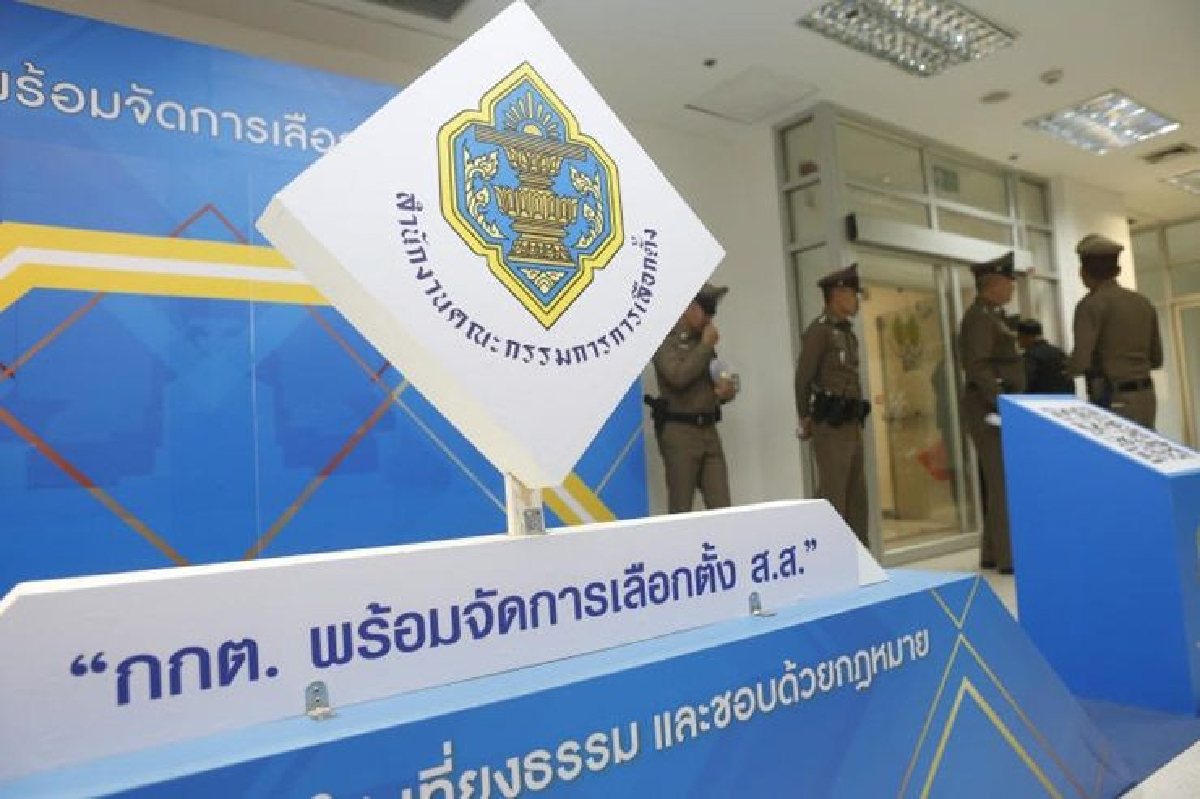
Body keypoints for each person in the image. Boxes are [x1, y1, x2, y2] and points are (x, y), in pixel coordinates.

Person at [794, 264, 870, 547]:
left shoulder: (847, 333)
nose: (856, 299)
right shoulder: (819, 331)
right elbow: (803, 378)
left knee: (857, 497)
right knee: (834, 496)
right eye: (852, 293)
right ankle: (828, 554)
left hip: (851, 424)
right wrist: (805, 416)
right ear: (837, 295)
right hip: (830, 426)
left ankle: (859, 555)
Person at [959, 252, 1025, 574]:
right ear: (995, 284)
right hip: (989, 409)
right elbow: (978, 367)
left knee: (1000, 481)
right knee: (1003, 483)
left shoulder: (993, 316)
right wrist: (1002, 403)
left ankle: (991, 552)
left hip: (997, 407)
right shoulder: (980, 319)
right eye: (1009, 282)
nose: (1012, 287)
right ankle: (1009, 557)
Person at [649, 283, 738, 513]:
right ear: (689, 306)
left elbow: (711, 378)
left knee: (723, 508)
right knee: (681, 509)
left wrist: (727, 391)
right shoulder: (665, 339)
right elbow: (678, 378)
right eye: (705, 311)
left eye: (712, 312)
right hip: (680, 433)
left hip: (708, 430)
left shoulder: (702, 339)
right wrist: (705, 346)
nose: (709, 319)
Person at [1065, 234, 1163, 429]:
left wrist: (1064, 369)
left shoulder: (1090, 305)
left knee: (1112, 448)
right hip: (1147, 398)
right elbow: (1157, 359)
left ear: (1083, 271)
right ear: (1117, 270)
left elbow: (1080, 362)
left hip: (1113, 399)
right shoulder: (1143, 303)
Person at [1016, 318, 1074, 394]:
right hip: (1065, 398)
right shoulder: (1059, 352)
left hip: (1042, 398)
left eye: (1019, 337)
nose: (1018, 341)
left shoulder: (1030, 357)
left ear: (1026, 336)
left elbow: (1026, 383)